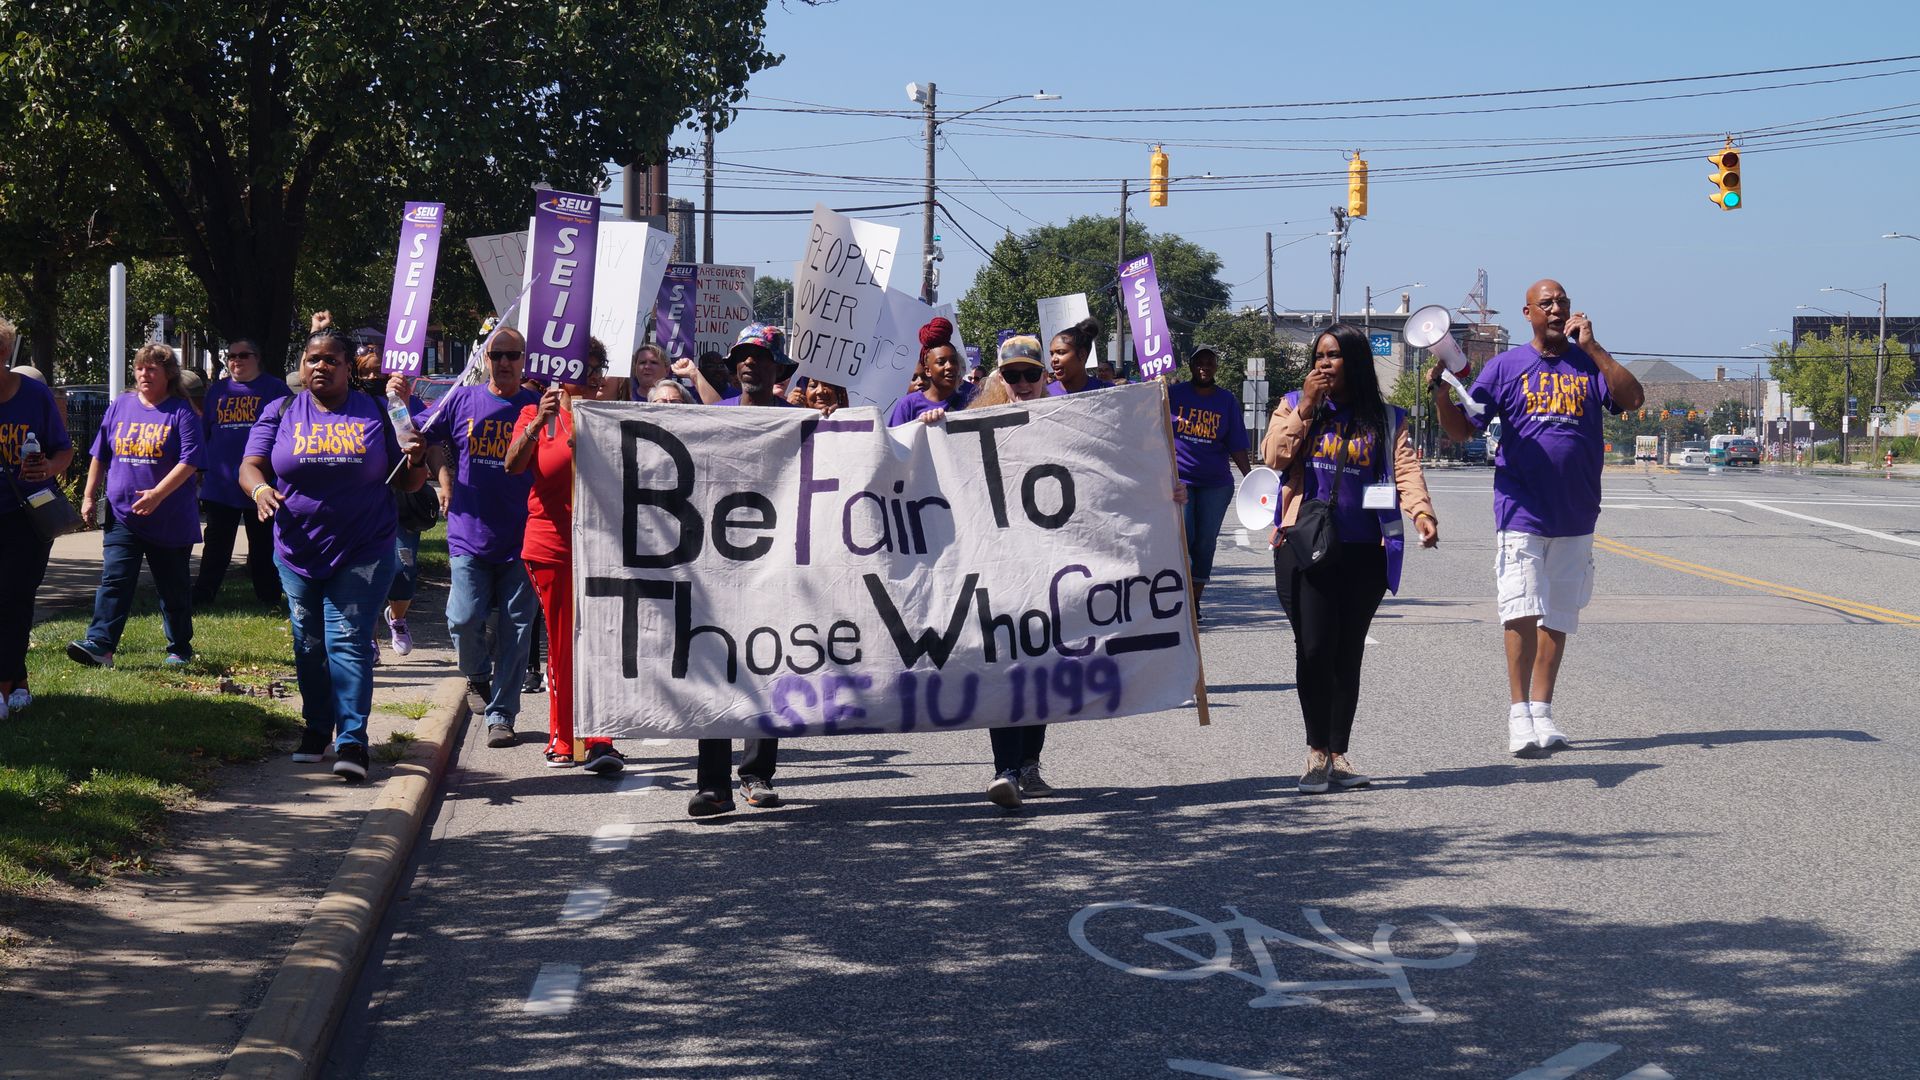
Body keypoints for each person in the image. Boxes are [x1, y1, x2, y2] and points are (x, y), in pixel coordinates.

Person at [1428, 279, 1643, 757]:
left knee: (1560, 615)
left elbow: (1632, 400)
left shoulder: (1589, 363)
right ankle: (1518, 713)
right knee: (1521, 608)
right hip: (1521, 509)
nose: (1555, 308)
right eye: (1545, 303)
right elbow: (1465, 429)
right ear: (1527, 312)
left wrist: (1595, 348)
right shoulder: (1506, 367)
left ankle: (1543, 711)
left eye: (1562, 302)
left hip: (1577, 512)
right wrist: (1443, 396)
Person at [241, 327, 429, 781]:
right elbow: (250, 465)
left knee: (345, 640)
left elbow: (407, 483)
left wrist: (418, 460)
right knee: (308, 645)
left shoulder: (378, 412)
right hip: (297, 550)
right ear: (302, 365)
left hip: (363, 549)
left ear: (348, 368)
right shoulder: (280, 409)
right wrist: (262, 489)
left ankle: (352, 740)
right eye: (312, 359)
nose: (320, 366)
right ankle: (316, 727)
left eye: (331, 360)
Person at [1264, 324, 1439, 793]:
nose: (1324, 363)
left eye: (1334, 355)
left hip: (1365, 551)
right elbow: (1274, 457)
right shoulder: (1294, 404)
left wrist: (1420, 512)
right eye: (1319, 355)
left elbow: (1405, 468)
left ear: (1355, 361)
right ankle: (1315, 750)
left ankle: (1338, 753)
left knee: (1347, 653)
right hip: (1307, 546)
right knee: (1315, 649)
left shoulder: (1385, 419)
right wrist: (1304, 407)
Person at [416, 327, 542, 748]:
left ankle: (502, 715)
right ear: (485, 359)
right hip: (469, 533)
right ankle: (476, 675)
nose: (505, 362)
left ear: (524, 360)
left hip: (523, 536)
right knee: (464, 617)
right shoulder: (461, 400)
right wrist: (399, 400)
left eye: (513, 355)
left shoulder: (536, 407)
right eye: (497, 355)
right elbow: (420, 436)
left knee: (516, 628)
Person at [690, 323, 796, 817]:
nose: (750, 362)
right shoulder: (711, 420)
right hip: (717, 564)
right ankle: (713, 785)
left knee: (767, 665)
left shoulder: (801, 424)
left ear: (777, 368)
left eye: (760, 355)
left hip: (776, 566)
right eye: (743, 356)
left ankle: (756, 773)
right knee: (714, 667)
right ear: (733, 368)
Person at [503, 346, 626, 774]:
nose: (596, 376)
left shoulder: (608, 415)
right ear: (565, 372)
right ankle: (563, 736)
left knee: (601, 641)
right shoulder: (537, 415)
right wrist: (539, 420)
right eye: (589, 369)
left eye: (600, 369)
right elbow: (512, 466)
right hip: (551, 545)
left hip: (602, 547)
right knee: (562, 641)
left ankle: (601, 739)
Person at [70, 343, 206, 669]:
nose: (145, 374)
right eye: (140, 368)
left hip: (169, 518)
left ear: (168, 374)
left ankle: (179, 647)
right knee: (115, 580)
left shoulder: (181, 412)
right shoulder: (121, 405)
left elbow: (191, 461)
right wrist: (89, 496)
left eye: (152, 369)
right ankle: (100, 646)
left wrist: (158, 494)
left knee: (172, 589)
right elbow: (100, 454)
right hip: (122, 516)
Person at [0, 318, 75, 717]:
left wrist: (48, 468)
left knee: (15, 598)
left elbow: (64, 450)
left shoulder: (34, 396)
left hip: (25, 516)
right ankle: (17, 682)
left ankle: (4, 687)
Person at [193, 339, 290, 609]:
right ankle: (203, 595)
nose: (236, 361)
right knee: (216, 545)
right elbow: (205, 433)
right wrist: (199, 472)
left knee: (263, 546)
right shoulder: (218, 391)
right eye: (231, 357)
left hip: (262, 483)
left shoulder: (275, 389)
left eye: (243, 355)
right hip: (221, 484)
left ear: (257, 358)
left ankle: (269, 596)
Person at [1169, 347, 1253, 620]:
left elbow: (1237, 443)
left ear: (1216, 367)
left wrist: (1251, 478)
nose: (1204, 367)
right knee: (1184, 541)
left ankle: (1194, 603)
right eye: (1199, 362)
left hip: (1216, 484)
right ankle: (1180, 603)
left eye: (1210, 363)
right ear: (1190, 366)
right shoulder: (1172, 395)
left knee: (1205, 544)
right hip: (1180, 483)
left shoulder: (1226, 400)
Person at [886, 317, 975, 425]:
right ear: (928, 370)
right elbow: (895, 441)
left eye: (953, 361)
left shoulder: (972, 399)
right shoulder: (907, 405)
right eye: (941, 362)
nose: (950, 366)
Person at [1048, 317, 1111, 396]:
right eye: (1051, 354)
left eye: (1061, 352)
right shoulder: (1043, 395)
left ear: (1082, 355)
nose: (1053, 359)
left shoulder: (1109, 393)